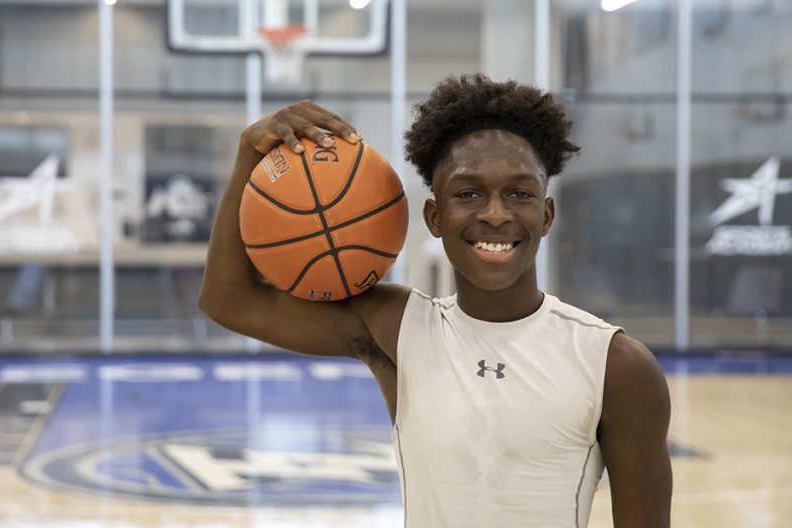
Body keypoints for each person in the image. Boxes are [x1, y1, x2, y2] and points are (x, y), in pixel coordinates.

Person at [199, 74, 672, 527]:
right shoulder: (396, 329)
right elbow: (229, 300)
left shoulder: (615, 364)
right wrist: (249, 155)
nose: (494, 214)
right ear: (434, 216)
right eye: (468, 193)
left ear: (546, 215)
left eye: (519, 193)